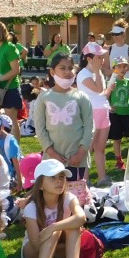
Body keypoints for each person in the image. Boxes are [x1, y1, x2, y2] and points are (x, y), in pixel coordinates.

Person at [20, 158, 87, 258]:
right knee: (58, 230)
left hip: (56, 249)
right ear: (41, 185)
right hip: (33, 253)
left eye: (62, 177)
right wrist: (54, 232)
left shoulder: (69, 198)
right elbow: (35, 244)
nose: (59, 181)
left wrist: (53, 227)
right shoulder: (31, 207)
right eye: (52, 177)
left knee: (72, 226)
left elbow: (81, 218)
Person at [33, 53, 93, 208]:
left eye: (70, 68)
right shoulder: (44, 98)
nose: (67, 72)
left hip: (76, 157)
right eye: (62, 68)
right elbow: (40, 128)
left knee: (75, 193)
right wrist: (52, 152)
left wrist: (81, 151)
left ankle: (75, 219)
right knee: (54, 193)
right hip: (53, 157)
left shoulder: (81, 97)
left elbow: (89, 127)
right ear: (52, 72)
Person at [76, 42, 111, 186]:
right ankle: (85, 180)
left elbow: (102, 92)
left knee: (100, 148)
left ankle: (102, 177)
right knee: (87, 148)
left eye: (102, 57)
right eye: (98, 57)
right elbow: (98, 89)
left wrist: (98, 71)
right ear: (89, 59)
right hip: (92, 113)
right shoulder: (83, 74)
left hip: (103, 111)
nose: (102, 60)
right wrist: (97, 71)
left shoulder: (97, 72)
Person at [107, 55, 129, 171]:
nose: (123, 69)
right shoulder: (111, 82)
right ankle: (119, 161)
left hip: (126, 114)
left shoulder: (128, 82)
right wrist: (109, 106)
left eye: (125, 66)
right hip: (115, 115)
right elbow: (106, 95)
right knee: (117, 138)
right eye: (120, 66)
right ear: (114, 68)